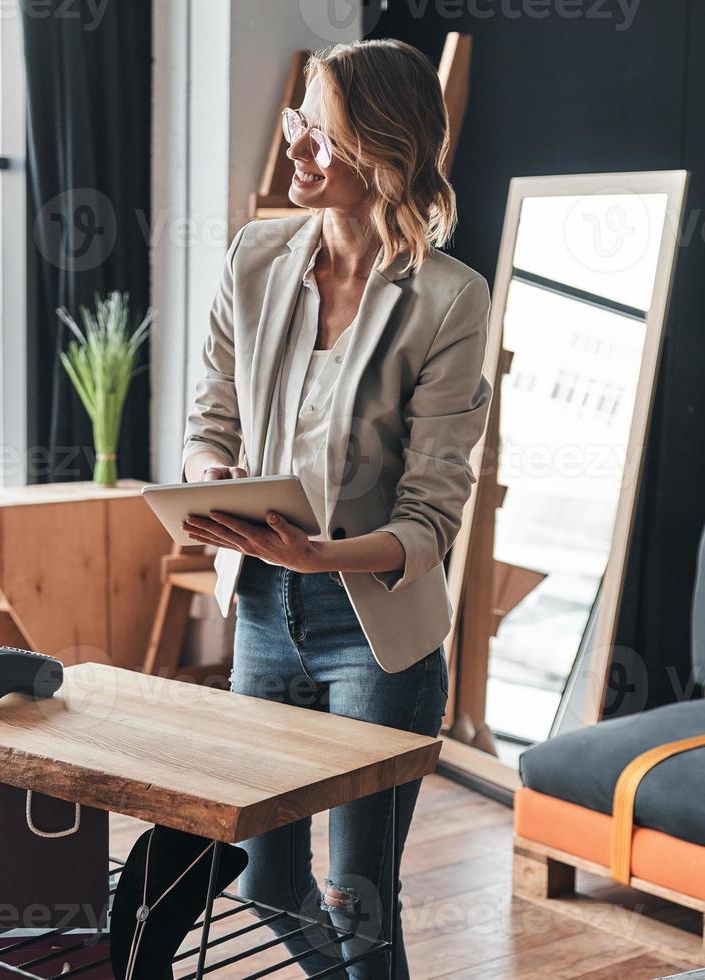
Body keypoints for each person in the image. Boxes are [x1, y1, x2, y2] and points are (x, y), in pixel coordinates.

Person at [179, 39, 493, 980]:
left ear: (386, 153)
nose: (297, 150)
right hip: (266, 615)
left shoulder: (449, 300)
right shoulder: (257, 256)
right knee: (265, 881)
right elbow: (212, 417)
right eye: (298, 125)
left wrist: (323, 558)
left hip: (375, 633)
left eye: (322, 133)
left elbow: (432, 514)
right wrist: (208, 486)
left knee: (359, 900)